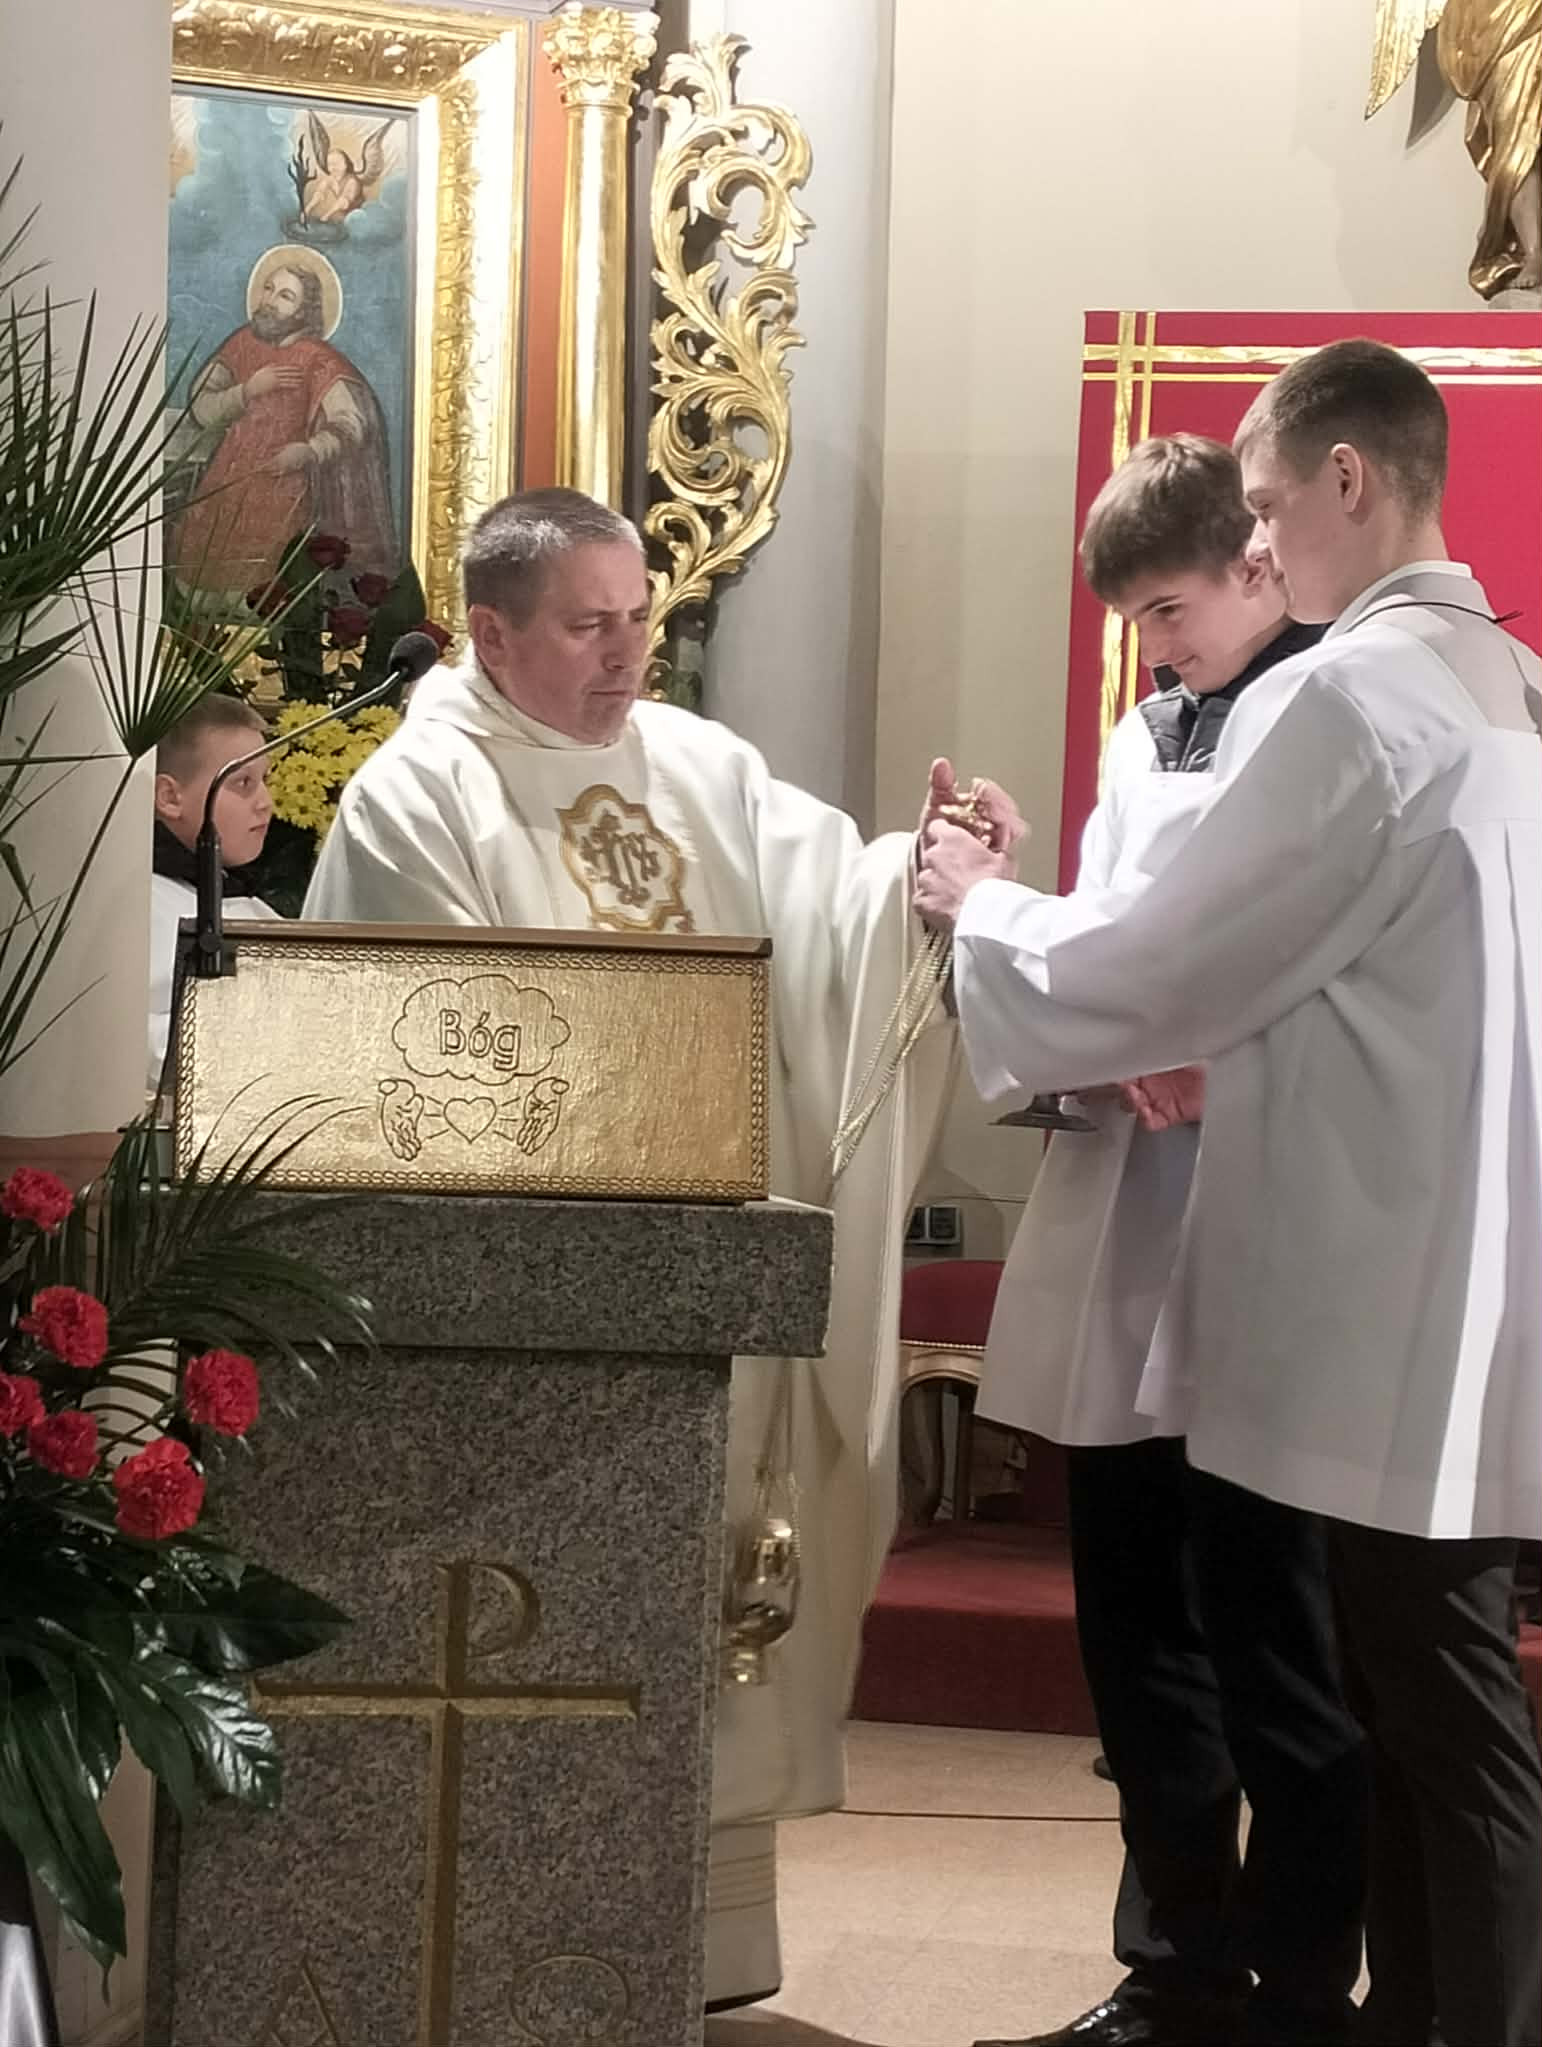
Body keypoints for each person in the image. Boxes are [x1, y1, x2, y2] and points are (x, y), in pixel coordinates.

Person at [303, 485, 1021, 2009]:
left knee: (706, 1604)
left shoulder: (701, 764)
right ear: (490, 632)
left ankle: (687, 1945)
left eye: (641, 617)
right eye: (587, 625)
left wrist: (925, 877)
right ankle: (509, 1949)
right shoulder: (418, 796)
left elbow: (837, 910)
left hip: (710, 1297)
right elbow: (421, 1057)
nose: (627, 652)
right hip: (532, 1322)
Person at [917, 339, 1542, 2047]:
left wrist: (980, 910)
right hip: (1452, 1254)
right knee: (1411, 1701)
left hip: (1361, 1270)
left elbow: (1169, 963)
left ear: (1349, 480)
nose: (1256, 542)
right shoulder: (1503, 678)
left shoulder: (1360, 694)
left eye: (1264, 508)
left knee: (1431, 1711)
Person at [974, 434, 1365, 2047]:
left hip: (1263, 1211)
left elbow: (1342, 959)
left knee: (1274, 1631)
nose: (1151, 647)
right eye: (1132, 620)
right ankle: (1175, 1962)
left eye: (1168, 608)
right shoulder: (1146, 731)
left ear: (1253, 559)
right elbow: (1108, 936)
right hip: (1128, 1207)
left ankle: (1299, 1983)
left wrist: (1216, 1049)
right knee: (1133, 1629)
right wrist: (1025, 930)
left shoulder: (1332, 710)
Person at [171, 257, 398, 593]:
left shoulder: (319, 358)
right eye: (269, 289)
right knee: (200, 578)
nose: (270, 300)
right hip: (228, 480)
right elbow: (201, 407)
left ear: (303, 311)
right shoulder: (242, 343)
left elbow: (352, 423)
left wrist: (309, 450)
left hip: (286, 486)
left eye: (285, 296)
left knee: (268, 583)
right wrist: (247, 390)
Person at [148, 694, 280, 1094]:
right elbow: (144, 1044)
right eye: (242, 783)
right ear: (170, 797)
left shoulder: (247, 902)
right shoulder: (144, 904)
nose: (266, 803)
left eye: (265, 780)